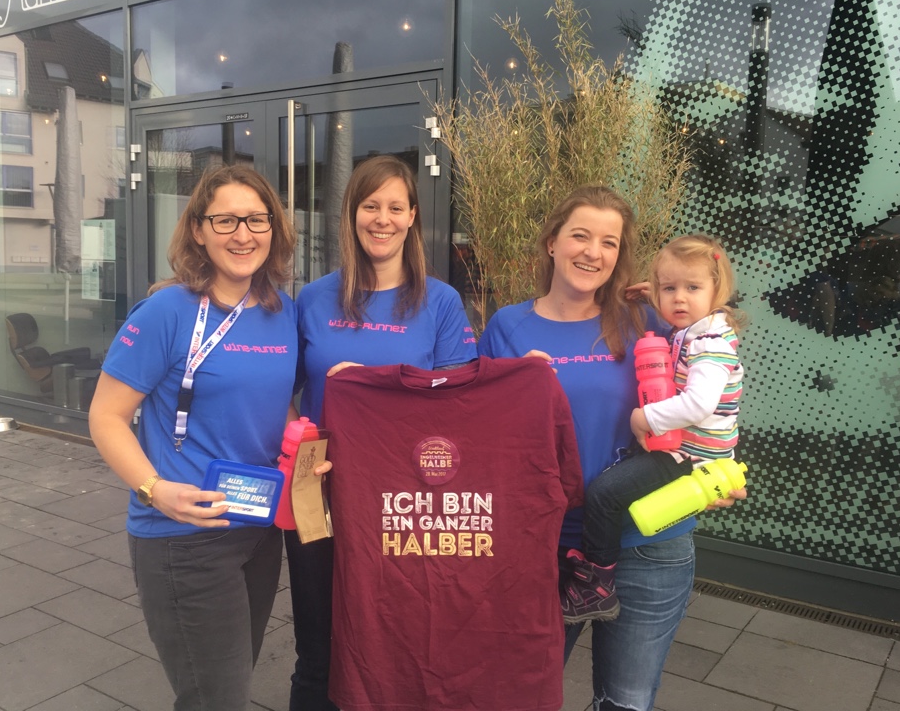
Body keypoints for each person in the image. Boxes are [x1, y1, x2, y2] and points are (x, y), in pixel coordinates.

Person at [478, 185, 745, 711]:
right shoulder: (507, 326)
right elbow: (479, 429)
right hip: (543, 545)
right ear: (552, 242)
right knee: (518, 695)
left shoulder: (648, 321)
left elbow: (712, 386)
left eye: (609, 242)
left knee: (625, 702)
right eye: (580, 235)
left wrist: (713, 472)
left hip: (650, 541)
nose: (592, 252)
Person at [89, 164, 321, 711]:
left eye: (257, 219)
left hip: (257, 528)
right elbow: (105, 417)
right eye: (226, 220)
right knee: (216, 697)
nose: (244, 234)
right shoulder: (167, 311)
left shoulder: (280, 310)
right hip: (183, 534)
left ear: (275, 228)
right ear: (198, 229)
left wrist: (308, 455)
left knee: (227, 682)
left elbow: (276, 406)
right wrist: (153, 488)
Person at [288, 154, 477, 711]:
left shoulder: (439, 302)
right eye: (371, 206)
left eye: (396, 207)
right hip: (315, 490)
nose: (382, 218)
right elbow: (280, 393)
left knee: (396, 637)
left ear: (413, 216)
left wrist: (377, 385)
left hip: (402, 495)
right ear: (351, 214)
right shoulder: (312, 299)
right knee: (316, 647)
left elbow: (456, 404)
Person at [561, 233, 745, 623]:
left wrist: (644, 419)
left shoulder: (709, 344)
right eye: (669, 288)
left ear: (718, 288)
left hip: (692, 457)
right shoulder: (697, 330)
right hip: (686, 449)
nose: (679, 298)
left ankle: (596, 584)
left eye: (693, 287)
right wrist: (655, 298)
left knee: (604, 494)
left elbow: (699, 403)